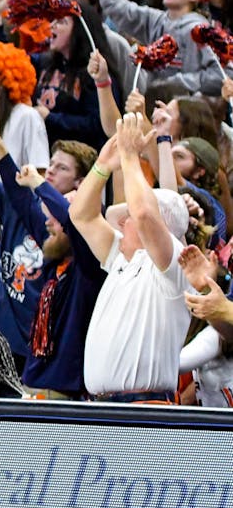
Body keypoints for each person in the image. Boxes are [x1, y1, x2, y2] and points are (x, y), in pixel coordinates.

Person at [70, 115, 193, 403]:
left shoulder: (173, 265)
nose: (122, 220)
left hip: (144, 405)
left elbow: (145, 214)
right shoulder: (121, 260)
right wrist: (102, 167)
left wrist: (129, 156)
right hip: (103, 404)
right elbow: (81, 215)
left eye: (129, 216)